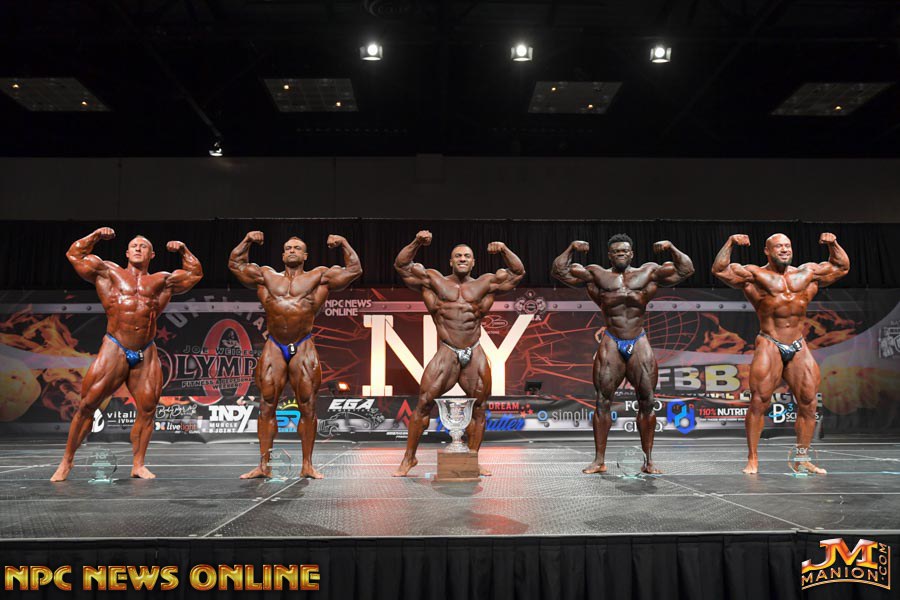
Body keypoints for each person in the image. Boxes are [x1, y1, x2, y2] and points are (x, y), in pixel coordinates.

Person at [51, 228, 202, 481]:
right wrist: (96, 235)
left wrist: (184, 250)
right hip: (115, 346)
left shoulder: (162, 281)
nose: (138, 248)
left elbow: (195, 273)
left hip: (146, 350)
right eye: (134, 245)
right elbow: (74, 254)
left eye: (144, 246)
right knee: (87, 405)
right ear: (127, 253)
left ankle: (138, 464)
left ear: (152, 255)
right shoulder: (108, 272)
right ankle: (67, 461)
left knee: (148, 409)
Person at [552, 234, 694, 474]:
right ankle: (599, 461)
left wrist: (671, 247)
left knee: (647, 400)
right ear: (610, 255)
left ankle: (648, 461)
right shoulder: (596, 274)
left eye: (624, 251)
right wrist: (571, 247)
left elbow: (686, 269)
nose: (621, 254)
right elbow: (559, 271)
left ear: (631, 254)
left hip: (638, 339)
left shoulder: (648, 272)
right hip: (612, 340)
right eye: (616, 251)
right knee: (602, 401)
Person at [712, 232, 849, 474]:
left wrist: (833, 243)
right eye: (778, 247)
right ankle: (753, 459)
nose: (784, 250)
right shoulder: (755, 275)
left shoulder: (807, 273)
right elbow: (720, 270)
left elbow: (842, 267)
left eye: (787, 245)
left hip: (798, 344)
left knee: (808, 403)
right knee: (759, 401)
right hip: (770, 342)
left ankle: (802, 458)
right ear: (767, 251)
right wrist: (730, 242)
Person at [228, 231, 361, 479]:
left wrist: (343, 243)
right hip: (274, 345)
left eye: (297, 248)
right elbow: (235, 264)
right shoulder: (266, 275)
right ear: (282, 254)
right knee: (267, 404)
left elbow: (354, 270)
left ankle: (307, 465)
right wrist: (247, 240)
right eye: (288, 248)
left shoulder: (319, 276)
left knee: (308, 406)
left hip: (302, 345)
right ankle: (264, 466)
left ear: (305, 255)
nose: (292, 251)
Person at [392, 231, 525, 477]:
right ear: (451, 261)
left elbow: (518, 273)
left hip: (474, 351)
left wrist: (504, 249)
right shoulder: (434, 280)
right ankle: (409, 458)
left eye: (467, 256)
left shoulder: (486, 283)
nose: (462, 259)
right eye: (458, 256)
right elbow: (402, 266)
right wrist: (417, 242)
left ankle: (472, 458)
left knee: (480, 408)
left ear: (473, 262)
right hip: (447, 350)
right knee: (423, 403)